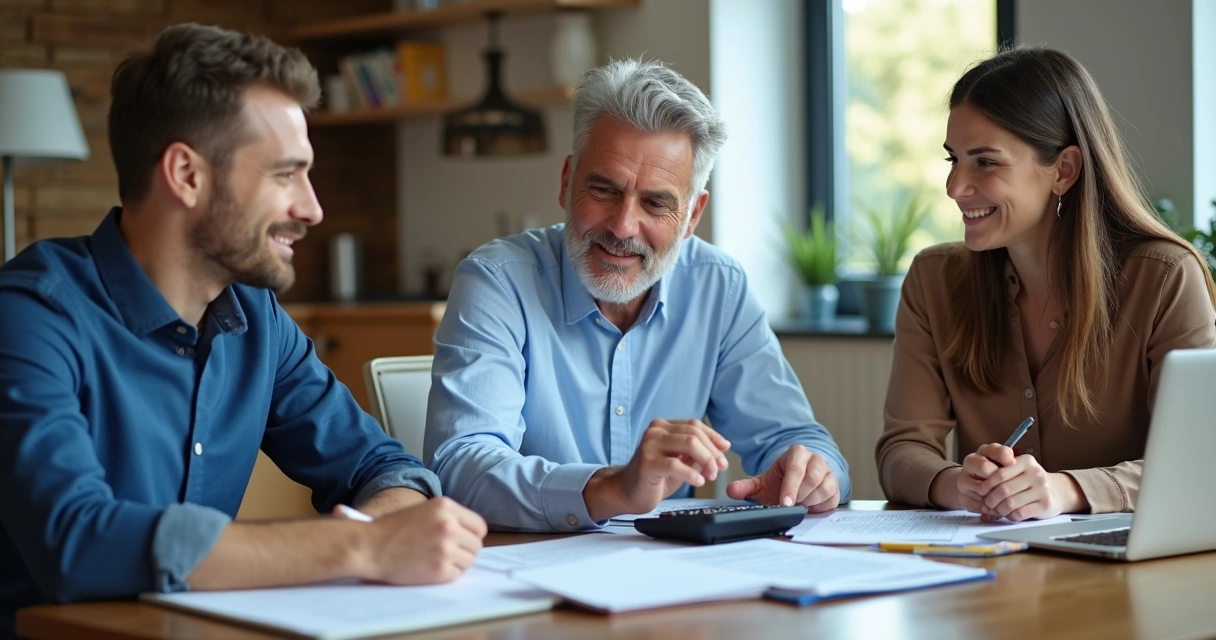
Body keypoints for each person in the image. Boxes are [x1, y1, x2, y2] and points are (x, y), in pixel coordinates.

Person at [0, 23, 486, 634]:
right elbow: (77, 540)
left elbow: (382, 466)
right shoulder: (31, 313)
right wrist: (363, 549)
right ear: (186, 175)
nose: (312, 209)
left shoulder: (256, 319)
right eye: (286, 174)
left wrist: (384, 527)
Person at [424, 59, 851, 532]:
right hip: (523, 567)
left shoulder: (719, 286)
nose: (623, 226)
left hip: (671, 574)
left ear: (692, 217)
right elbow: (460, 465)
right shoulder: (496, 281)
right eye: (604, 190)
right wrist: (611, 488)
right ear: (567, 182)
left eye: (655, 203)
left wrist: (813, 475)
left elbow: (792, 436)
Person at [876, 47, 1216, 521]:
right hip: (992, 573)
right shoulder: (934, 282)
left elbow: (1199, 462)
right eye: (953, 160)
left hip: (1130, 571)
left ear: (1064, 170)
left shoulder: (1164, 278)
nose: (955, 187)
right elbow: (903, 449)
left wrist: (1066, 491)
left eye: (985, 162)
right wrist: (957, 484)